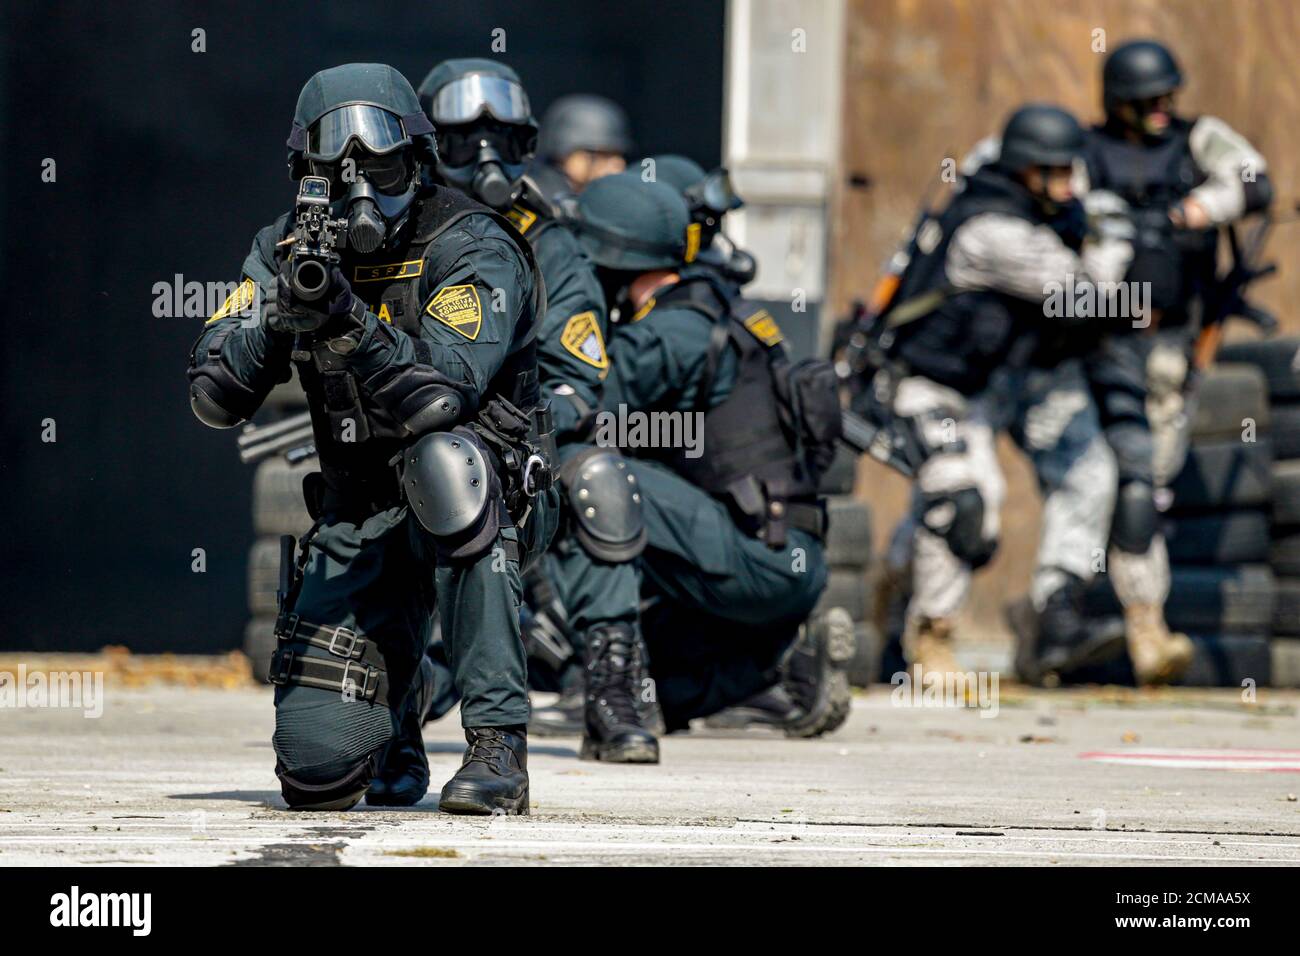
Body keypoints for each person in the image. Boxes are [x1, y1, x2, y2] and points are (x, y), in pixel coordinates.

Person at [187, 63, 558, 814]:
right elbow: (213, 399)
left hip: (480, 499)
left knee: (444, 468)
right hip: (362, 509)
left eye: (383, 167)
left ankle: (498, 745)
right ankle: (398, 720)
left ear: (416, 162)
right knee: (316, 780)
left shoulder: (469, 241)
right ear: (305, 175)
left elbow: (442, 395)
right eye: (336, 170)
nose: (363, 190)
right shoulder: (285, 250)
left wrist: (350, 324)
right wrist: (278, 316)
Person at [417, 58, 659, 762]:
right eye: (462, 139)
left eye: (499, 138)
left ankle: (613, 687)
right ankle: (404, 678)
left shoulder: (545, 237)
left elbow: (578, 374)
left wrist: (519, 426)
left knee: (600, 479)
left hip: (512, 441)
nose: (482, 157)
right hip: (412, 442)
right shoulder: (399, 231)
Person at [574, 172, 852, 736]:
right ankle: (778, 672)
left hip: (751, 557)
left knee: (583, 476)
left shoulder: (668, 332)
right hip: (784, 556)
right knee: (663, 686)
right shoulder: (728, 309)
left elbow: (586, 415)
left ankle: (598, 681)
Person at [862, 104, 1128, 683]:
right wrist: (1114, 239)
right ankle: (931, 642)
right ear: (1024, 172)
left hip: (983, 387)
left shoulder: (1020, 203)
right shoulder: (994, 232)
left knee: (1029, 492)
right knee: (963, 505)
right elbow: (1093, 297)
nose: (1068, 185)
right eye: (1053, 173)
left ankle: (903, 601)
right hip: (924, 385)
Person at [1077, 39, 1272, 684]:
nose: (1162, 109)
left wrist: (1194, 211)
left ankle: (1143, 627)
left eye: (1168, 96)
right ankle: (1058, 621)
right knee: (1083, 483)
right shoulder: (1083, 151)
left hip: (1167, 344)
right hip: (1089, 345)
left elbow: (1254, 181)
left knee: (1146, 482)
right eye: (1147, 100)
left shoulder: (1198, 140)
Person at [531, 93, 632, 206]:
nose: (618, 164)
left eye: (618, 154)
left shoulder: (597, 196)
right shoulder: (534, 197)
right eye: (602, 154)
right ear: (563, 153)